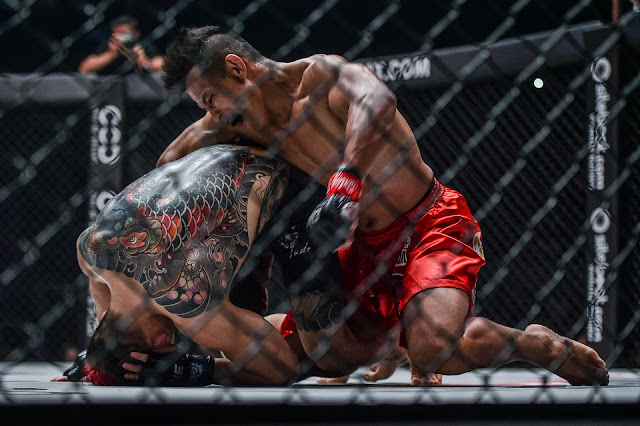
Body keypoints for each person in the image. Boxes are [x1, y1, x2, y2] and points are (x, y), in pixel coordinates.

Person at [154, 25, 610, 386]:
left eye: (210, 100)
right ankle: (192, 368)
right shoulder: (236, 124)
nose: (212, 114)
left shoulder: (321, 76)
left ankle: (532, 344)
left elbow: (377, 100)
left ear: (237, 68)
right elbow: (168, 164)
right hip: (358, 249)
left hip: (427, 223)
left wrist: (346, 181)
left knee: (436, 351)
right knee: (301, 358)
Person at [62, 141, 423, 386]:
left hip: (292, 198)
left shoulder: (184, 300)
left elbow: (281, 370)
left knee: (331, 357)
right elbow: (105, 308)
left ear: (158, 342)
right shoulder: (91, 251)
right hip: (227, 178)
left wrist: (186, 370)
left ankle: (394, 343)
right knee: (230, 341)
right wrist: (97, 360)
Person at [78, 15, 163, 75]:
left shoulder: (143, 45)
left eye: (125, 33)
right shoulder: (110, 45)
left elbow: (161, 64)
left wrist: (144, 61)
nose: (122, 37)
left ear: (137, 33)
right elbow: (84, 69)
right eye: (118, 34)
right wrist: (112, 54)